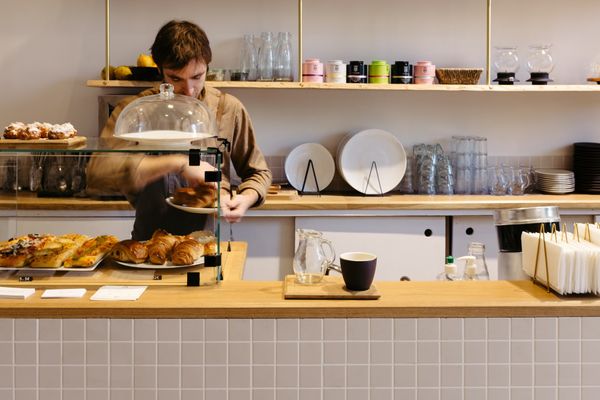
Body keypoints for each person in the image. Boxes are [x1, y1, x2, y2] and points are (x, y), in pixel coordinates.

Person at [86, 20, 272, 241]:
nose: (189, 90)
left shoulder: (227, 109)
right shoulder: (136, 111)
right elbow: (97, 173)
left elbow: (258, 172)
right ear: (159, 70)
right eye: (176, 79)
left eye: (197, 77)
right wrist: (178, 164)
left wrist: (246, 198)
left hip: (209, 245)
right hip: (148, 244)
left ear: (207, 68)